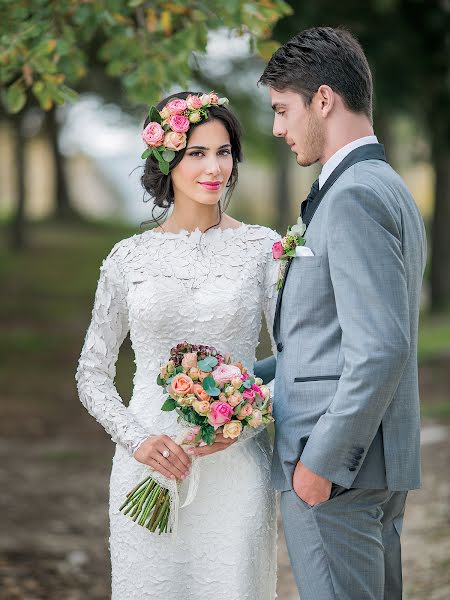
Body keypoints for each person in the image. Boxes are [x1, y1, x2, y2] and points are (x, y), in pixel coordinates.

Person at [75, 91, 280, 600]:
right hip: (146, 463)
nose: (214, 167)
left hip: (236, 465)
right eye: (197, 152)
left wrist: (248, 416)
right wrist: (136, 439)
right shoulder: (127, 259)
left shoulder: (263, 250)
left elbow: (296, 357)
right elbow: (91, 371)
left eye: (224, 151)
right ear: (167, 160)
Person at [258, 27, 427, 600]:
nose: (277, 129)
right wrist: (240, 377)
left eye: (283, 110)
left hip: (334, 469)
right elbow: (332, 337)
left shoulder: (353, 194)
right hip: (372, 462)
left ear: (323, 100)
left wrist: (321, 463)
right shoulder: (386, 186)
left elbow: (381, 346)